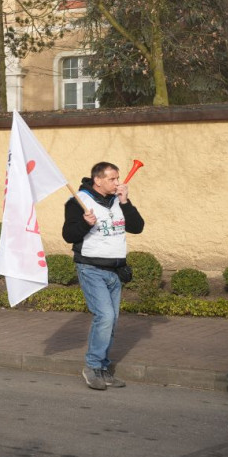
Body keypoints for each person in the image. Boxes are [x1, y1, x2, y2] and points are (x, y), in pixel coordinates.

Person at [62, 161, 145, 391]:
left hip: (115, 271)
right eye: (112, 178)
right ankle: (92, 367)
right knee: (105, 316)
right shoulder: (78, 201)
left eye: (118, 178)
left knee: (112, 321)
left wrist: (125, 202)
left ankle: (103, 369)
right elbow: (69, 235)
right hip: (91, 268)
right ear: (98, 180)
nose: (118, 182)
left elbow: (137, 227)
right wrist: (85, 225)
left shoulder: (118, 200)